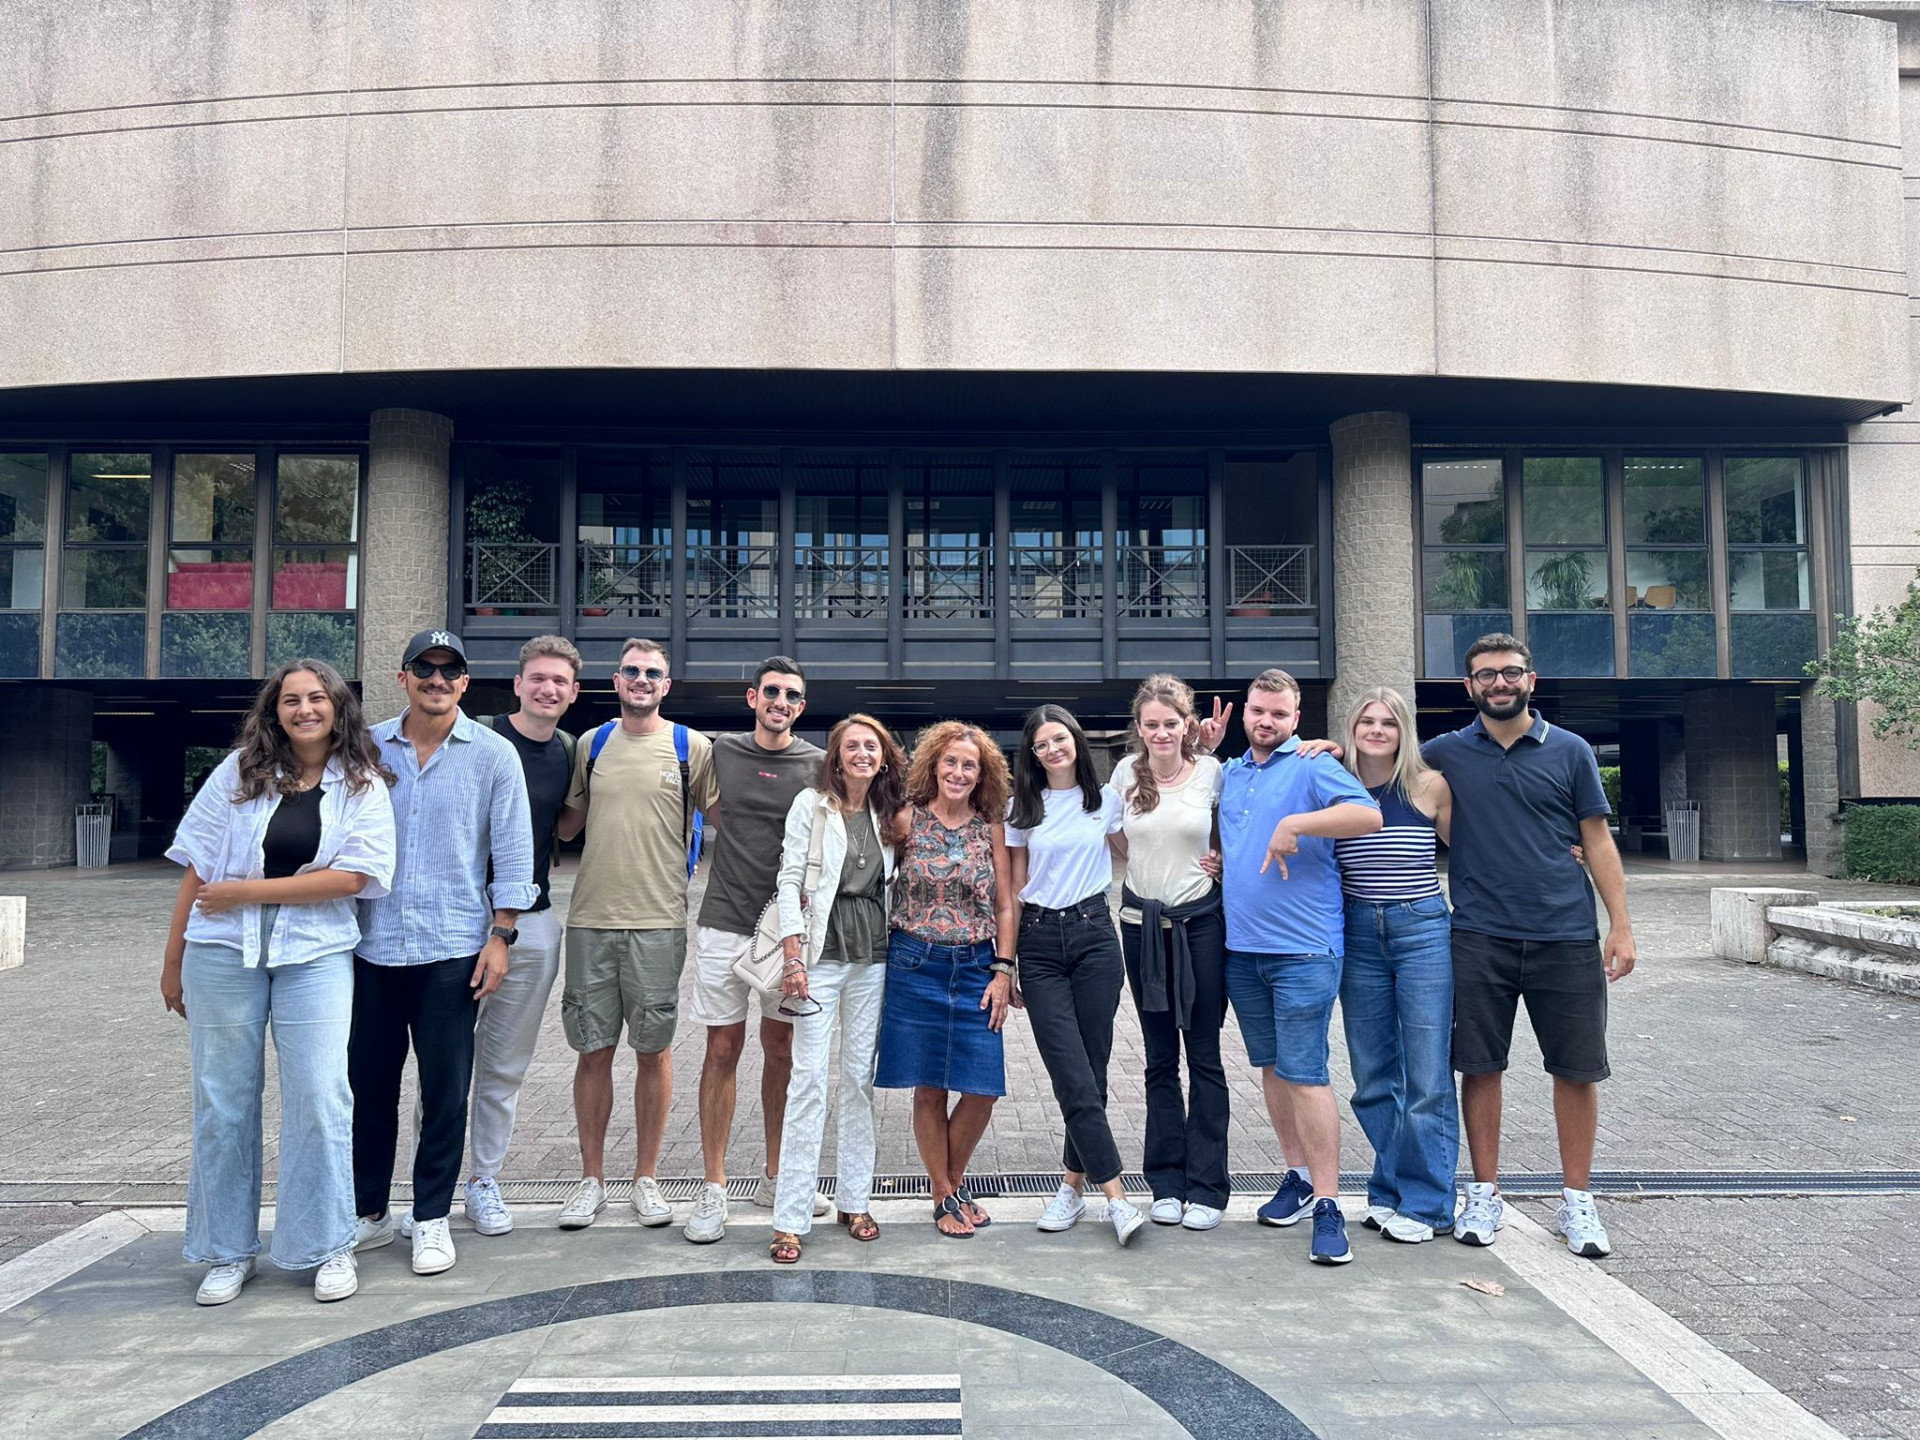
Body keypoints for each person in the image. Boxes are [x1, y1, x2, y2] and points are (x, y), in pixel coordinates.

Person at [161, 659, 395, 1306]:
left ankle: (327, 1244)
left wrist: (245, 892)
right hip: (219, 951)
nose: (304, 709)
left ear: (337, 707)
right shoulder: (238, 772)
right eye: (291, 699)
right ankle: (226, 1250)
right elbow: (197, 869)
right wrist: (173, 959)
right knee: (223, 1101)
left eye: (317, 697)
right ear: (275, 711)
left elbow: (354, 877)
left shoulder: (362, 784)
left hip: (314, 952)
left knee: (321, 1097)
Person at [1422, 634, 1636, 1258]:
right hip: (1478, 936)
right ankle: (1484, 1193)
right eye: (1487, 674)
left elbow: (1597, 840)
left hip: (1565, 935)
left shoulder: (1571, 751)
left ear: (1530, 680)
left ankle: (1578, 1201)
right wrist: (1324, 747)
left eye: (1511, 672)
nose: (1500, 683)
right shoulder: (1445, 752)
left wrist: (1621, 925)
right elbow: (1379, 759)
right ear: (1469, 686)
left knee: (1577, 1070)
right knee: (1479, 1066)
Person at [349, 629, 534, 1278]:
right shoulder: (365, 747)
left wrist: (501, 936)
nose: (436, 679)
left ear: (464, 682)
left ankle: (430, 1216)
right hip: (370, 946)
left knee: (446, 1091)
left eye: (448, 670)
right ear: (402, 677)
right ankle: (369, 1210)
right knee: (368, 1088)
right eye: (423, 668)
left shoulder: (493, 755)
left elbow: (513, 851)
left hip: (454, 948)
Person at [1211, 668, 1381, 1265]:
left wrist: (1295, 824)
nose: (1267, 721)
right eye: (1259, 711)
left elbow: (1367, 815)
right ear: (1246, 711)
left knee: (1306, 1073)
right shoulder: (1232, 773)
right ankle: (1299, 1178)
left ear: (1296, 718)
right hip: (1243, 950)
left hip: (1305, 950)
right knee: (1273, 1067)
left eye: (1279, 714)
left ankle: (1330, 1203)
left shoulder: (1312, 765)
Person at [551, 638, 718, 1231]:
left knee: (654, 1050)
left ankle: (646, 1178)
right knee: (592, 1050)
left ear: (665, 686)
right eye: (632, 671)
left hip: (659, 921)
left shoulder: (692, 748)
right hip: (590, 919)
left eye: (652, 673)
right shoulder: (590, 744)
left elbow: (729, 818)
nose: (641, 679)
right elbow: (565, 823)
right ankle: (591, 1180)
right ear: (616, 681)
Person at [686, 657, 826, 1245]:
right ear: (752, 697)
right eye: (772, 691)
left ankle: (776, 1176)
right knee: (721, 1048)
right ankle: (714, 1186)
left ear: (801, 706)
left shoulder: (818, 763)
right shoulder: (720, 751)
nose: (780, 702)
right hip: (724, 920)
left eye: (792, 695)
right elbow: (708, 809)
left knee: (781, 1050)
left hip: (786, 931)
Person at [767, 714, 909, 1264]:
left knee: (856, 1081)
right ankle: (791, 1217)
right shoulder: (812, 805)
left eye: (871, 746)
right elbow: (789, 879)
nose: (862, 754)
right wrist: (793, 955)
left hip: (873, 958)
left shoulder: (888, 810)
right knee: (808, 1081)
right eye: (852, 746)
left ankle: (855, 1200)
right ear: (836, 755)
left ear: (883, 756)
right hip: (819, 957)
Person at [1006, 705, 1145, 1248]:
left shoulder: (1104, 800)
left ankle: (1071, 1185)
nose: (1052, 750)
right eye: (1041, 744)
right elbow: (1014, 892)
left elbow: (1140, 853)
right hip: (1039, 943)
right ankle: (1117, 1197)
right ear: (1032, 753)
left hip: (1095, 937)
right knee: (1069, 1069)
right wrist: (1006, 961)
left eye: (1059, 739)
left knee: (1093, 1067)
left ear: (1076, 741)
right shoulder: (1022, 807)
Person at [875, 720, 1017, 1239]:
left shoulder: (991, 826)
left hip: (978, 966)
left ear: (982, 774)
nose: (958, 772)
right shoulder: (906, 819)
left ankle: (950, 1181)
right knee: (930, 1087)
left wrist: (1004, 968)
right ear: (933, 766)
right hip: (915, 963)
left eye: (969, 765)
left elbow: (1005, 904)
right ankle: (944, 1191)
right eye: (950, 761)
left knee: (983, 1088)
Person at [461, 635, 582, 1236]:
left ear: (573, 692)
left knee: (504, 1067)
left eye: (559, 681)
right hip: (461, 924)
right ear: (517, 684)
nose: (547, 689)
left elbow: (567, 826)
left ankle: (483, 1181)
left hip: (531, 925)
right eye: (538, 677)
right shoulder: (478, 741)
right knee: (445, 1066)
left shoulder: (567, 752)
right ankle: (429, 1186)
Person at [1333, 686, 1458, 1245]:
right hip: (1358, 931)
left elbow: (1476, 851)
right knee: (1371, 1077)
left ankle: (1429, 1204)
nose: (1377, 730)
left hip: (1422, 929)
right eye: (1368, 721)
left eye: (1389, 722)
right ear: (1353, 728)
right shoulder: (1335, 785)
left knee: (1427, 1076)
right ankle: (1389, 1190)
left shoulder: (1429, 786)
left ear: (1404, 731)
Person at [1111, 674, 1229, 1233]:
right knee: (1159, 1058)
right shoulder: (1124, 775)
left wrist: (1221, 859)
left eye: (1170, 723)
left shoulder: (1211, 771)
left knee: (1204, 1055)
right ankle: (1165, 1183)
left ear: (1187, 725)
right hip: (1141, 927)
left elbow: (1231, 828)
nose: (1161, 732)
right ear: (1139, 727)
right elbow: (1118, 837)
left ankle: (1207, 1187)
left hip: (1200, 925)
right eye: (1151, 724)